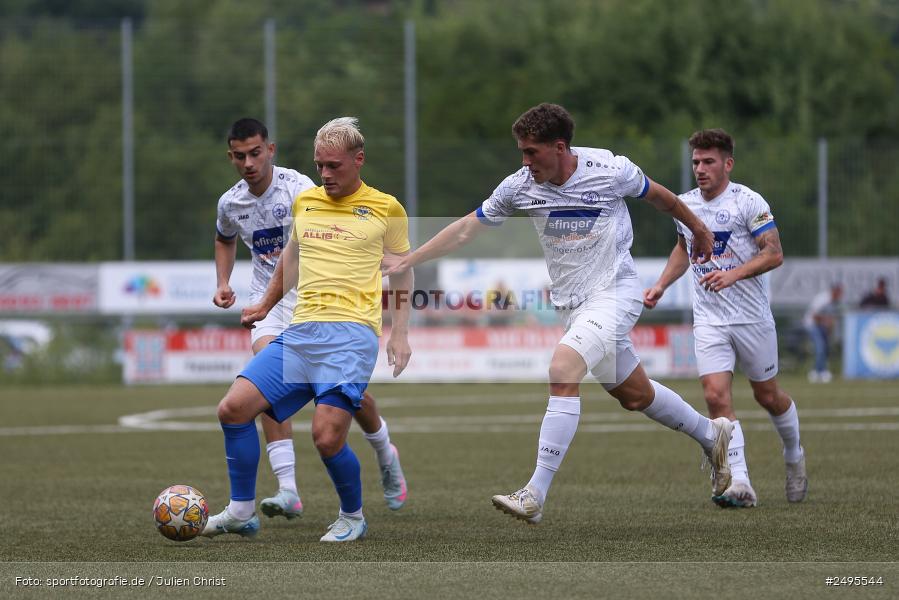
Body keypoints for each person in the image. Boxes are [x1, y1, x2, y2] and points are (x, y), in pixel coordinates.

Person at [385, 103, 734, 524]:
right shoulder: (519, 186)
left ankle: (534, 494)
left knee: (562, 367)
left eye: (532, 152)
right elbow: (465, 228)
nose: (524, 161)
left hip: (615, 292)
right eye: (521, 152)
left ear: (559, 146)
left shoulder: (609, 169)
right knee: (634, 395)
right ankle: (710, 434)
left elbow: (663, 199)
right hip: (574, 304)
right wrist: (410, 260)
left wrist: (697, 227)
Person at [204, 117, 412, 542]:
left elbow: (403, 272)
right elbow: (290, 261)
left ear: (359, 160)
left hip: (351, 337)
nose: (325, 175)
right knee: (233, 409)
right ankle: (243, 510)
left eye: (334, 166)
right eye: (320, 166)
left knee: (326, 437)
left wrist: (400, 332)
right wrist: (263, 303)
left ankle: (352, 515)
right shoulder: (307, 203)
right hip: (300, 332)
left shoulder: (386, 207)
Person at [644, 128, 808, 508]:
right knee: (715, 397)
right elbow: (684, 249)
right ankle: (741, 482)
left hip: (751, 319)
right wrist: (662, 285)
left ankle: (794, 455)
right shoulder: (684, 204)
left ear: (727, 164)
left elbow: (774, 254)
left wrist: (731, 275)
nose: (700, 168)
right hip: (710, 320)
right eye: (696, 162)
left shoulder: (748, 202)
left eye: (708, 162)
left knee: (768, 396)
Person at [804, 283, 843, 383]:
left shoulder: (835, 302)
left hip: (822, 327)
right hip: (812, 325)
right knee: (820, 347)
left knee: (825, 349)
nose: (840, 295)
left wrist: (829, 327)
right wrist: (826, 322)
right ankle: (816, 372)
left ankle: (822, 371)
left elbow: (831, 318)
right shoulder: (823, 299)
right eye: (839, 292)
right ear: (834, 291)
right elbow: (814, 316)